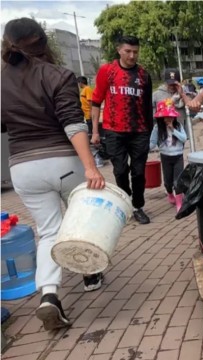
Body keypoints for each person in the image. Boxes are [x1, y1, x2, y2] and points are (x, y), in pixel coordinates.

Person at [1, 18, 106, 330]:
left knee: (48, 231)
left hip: (22, 166)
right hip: (62, 161)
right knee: (82, 216)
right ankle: (90, 274)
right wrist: (90, 167)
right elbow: (73, 124)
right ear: (44, 42)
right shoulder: (58, 75)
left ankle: (49, 295)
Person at [91, 35, 153, 224]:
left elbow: (147, 106)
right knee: (119, 170)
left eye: (135, 52)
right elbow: (96, 100)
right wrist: (95, 131)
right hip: (114, 131)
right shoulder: (107, 71)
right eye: (128, 51)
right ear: (119, 50)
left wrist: (148, 131)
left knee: (139, 172)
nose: (132, 56)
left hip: (139, 131)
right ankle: (125, 202)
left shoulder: (143, 75)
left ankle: (138, 206)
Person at [149, 99, 187, 212]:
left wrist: (173, 129)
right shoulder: (157, 128)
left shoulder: (178, 126)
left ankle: (179, 202)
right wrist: (143, 149)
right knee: (168, 181)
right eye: (165, 117)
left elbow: (184, 138)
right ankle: (170, 194)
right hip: (165, 156)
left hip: (178, 156)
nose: (168, 119)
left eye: (170, 116)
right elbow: (152, 142)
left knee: (177, 180)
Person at [152, 68, 192, 138]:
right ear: (165, 82)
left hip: (179, 132)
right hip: (163, 133)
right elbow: (152, 114)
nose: (172, 86)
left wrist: (182, 94)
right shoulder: (156, 95)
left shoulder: (185, 94)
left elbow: (192, 109)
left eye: (175, 84)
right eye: (170, 84)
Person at [77, 76, 104, 167]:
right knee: (90, 135)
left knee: (93, 136)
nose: (78, 85)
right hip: (86, 116)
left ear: (81, 82)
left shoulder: (87, 89)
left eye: (78, 83)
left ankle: (99, 157)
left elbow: (91, 101)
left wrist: (92, 113)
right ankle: (97, 155)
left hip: (89, 115)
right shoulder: (84, 90)